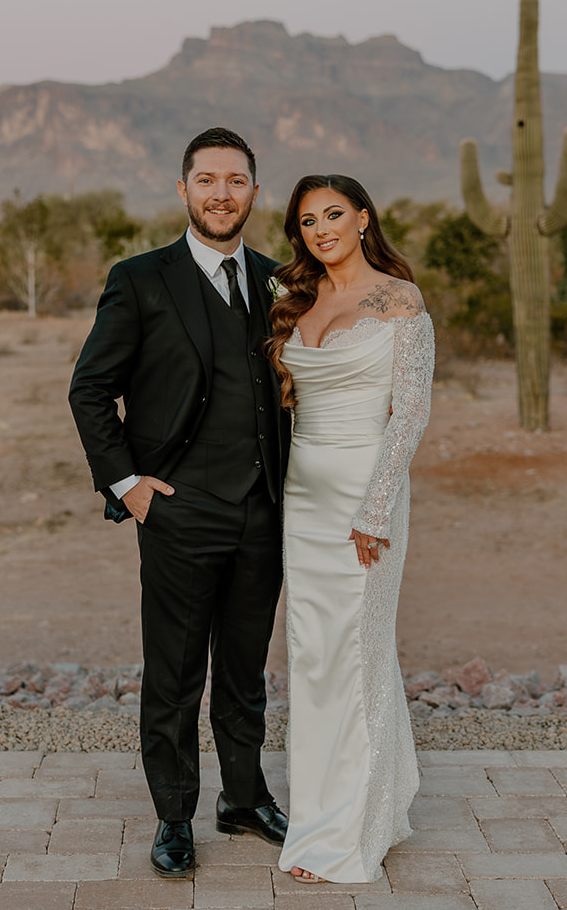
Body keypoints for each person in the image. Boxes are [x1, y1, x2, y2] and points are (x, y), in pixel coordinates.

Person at [68, 127, 291, 879]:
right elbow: (90, 387)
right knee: (173, 673)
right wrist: (126, 485)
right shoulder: (140, 279)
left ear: (255, 193)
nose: (222, 193)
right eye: (207, 180)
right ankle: (174, 814)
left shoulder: (277, 280)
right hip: (177, 510)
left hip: (262, 512)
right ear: (183, 190)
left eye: (236, 181)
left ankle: (244, 796)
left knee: (244, 669)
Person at [263, 174, 432, 884]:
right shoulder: (292, 299)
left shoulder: (399, 299)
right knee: (314, 657)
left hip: (370, 495)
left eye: (334, 213)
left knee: (359, 649)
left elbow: (410, 412)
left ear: (364, 217)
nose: (321, 228)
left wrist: (375, 505)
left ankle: (352, 831)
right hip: (303, 501)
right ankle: (336, 809)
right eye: (307, 220)